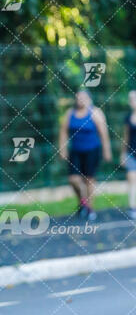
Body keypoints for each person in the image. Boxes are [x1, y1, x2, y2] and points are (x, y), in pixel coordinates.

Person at [59, 89, 112, 220]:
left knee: (89, 180)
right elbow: (63, 132)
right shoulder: (70, 113)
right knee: (73, 180)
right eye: (78, 97)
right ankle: (82, 202)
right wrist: (63, 149)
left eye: (83, 97)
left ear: (89, 99)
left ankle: (90, 209)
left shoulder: (95, 112)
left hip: (92, 150)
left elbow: (103, 133)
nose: (80, 99)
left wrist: (107, 151)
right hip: (76, 151)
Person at [120, 90, 136, 219]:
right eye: (131, 100)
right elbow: (125, 137)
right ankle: (132, 206)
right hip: (131, 152)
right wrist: (123, 154)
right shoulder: (127, 118)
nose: (133, 102)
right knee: (131, 177)